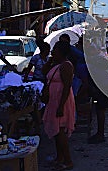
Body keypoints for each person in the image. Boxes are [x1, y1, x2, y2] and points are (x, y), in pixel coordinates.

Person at [42, 41, 75, 170]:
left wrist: (61, 106)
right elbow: (44, 71)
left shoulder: (66, 66)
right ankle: (59, 157)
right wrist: (51, 60)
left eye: (55, 50)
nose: (52, 52)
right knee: (56, 131)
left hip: (61, 100)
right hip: (54, 100)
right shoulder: (56, 64)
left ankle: (67, 160)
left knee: (60, 130)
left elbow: (67, 87)